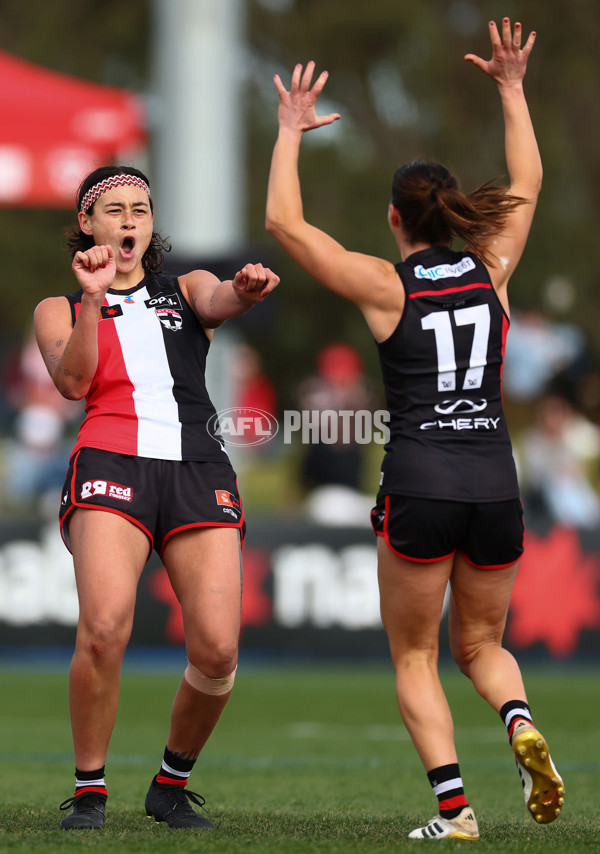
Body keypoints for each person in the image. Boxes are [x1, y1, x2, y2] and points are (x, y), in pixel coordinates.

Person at [266, 18, 564, 842]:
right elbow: (529, 180)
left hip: (421, 483)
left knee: (414, 657)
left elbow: (287, 226)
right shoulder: (493, 268)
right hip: (495, 482)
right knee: (482, 645)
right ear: (454, 212)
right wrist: (512, 87)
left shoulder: (386, 287)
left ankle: (456, 812)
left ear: (397, 221)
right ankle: (517, 719)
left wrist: (290, 131)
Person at [33, 165, 279, 830]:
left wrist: (246, 291)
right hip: (111, 460)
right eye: (114, 210)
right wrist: (91, 299)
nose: (130, 221)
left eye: (140, 208)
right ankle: (90, 789)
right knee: (105, 629)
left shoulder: (184, 287)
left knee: (218, 649)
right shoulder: (57, 307)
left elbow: (221, 299)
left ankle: (170, 784)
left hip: (198, 466)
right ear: (88, 223)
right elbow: (74, 382)